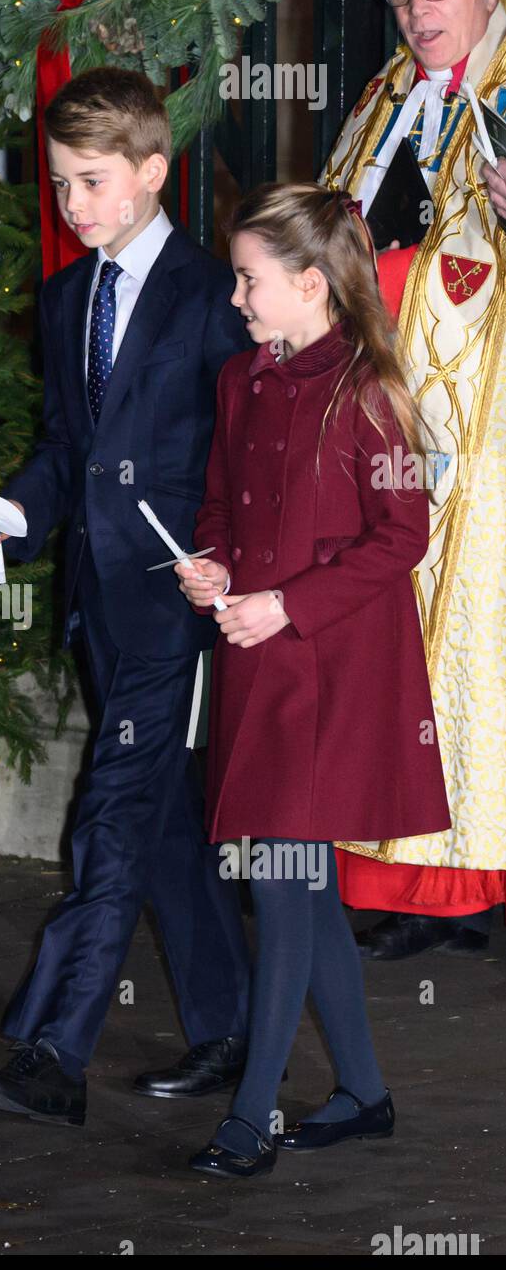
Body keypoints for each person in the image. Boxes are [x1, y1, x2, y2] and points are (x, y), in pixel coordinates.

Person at [0, 67, 252, 1127]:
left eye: (89, 183)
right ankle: (233, 1027)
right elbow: (61, 449)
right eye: (59, 185)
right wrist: (19, 512)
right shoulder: (65, 295)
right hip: (96, 596)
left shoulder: (213, 294)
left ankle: (53, 1052)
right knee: (161, 819)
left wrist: (222, 559)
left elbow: (243, 455)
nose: (71, 205)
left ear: (150, 172)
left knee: (112, 819)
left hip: (175, 605)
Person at [179, 183, 451, 1179]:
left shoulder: (368, 391)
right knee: (304, 887)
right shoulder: (240, 379)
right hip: (257, 657)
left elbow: (404, 537)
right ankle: (363, 1092)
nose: (237, 298)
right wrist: (208, 560)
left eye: (250, 281)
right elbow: (219, 504)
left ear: (310, 283)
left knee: (285, 884)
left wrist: (287, 604)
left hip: (331, 668)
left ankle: (251, 1116)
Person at [320, 0, 506, 958]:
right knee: (398, 642)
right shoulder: (390, 89)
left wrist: (395, 278)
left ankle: (475, 872)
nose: (417, 9)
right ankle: (413, 877)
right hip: (393, 410)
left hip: (490, 431)